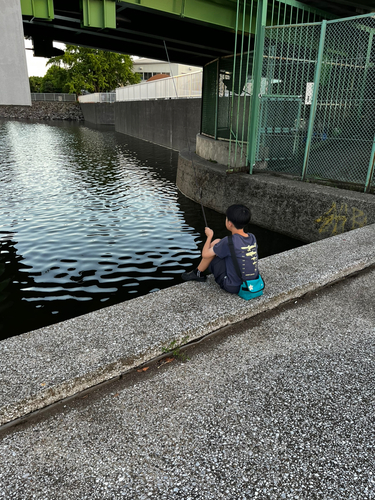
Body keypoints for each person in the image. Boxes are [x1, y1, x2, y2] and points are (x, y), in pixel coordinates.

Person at [181, 204, 259, 294]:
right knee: (217, 242)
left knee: (214, 252)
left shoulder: (228, 241)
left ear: (230, 224)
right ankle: (197, 272)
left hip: (234, 286)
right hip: (252, 283)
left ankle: (198, 272)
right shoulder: (252, 237)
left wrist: (209, 236)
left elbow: (205, 254)